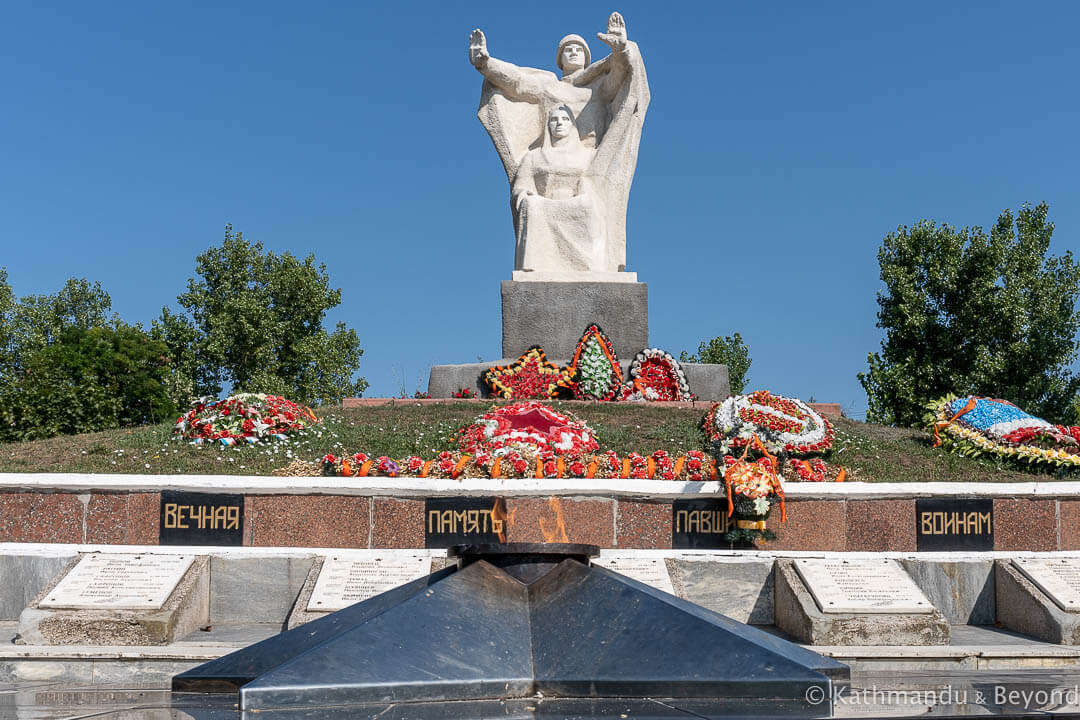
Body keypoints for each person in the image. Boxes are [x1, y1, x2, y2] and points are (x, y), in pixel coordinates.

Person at [468, 13, 649, 274]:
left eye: (579, 49)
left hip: (592, 162)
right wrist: (486, 64)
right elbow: (517, 82)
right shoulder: (548, 88)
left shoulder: (595, 89)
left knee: (594, 213)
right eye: (568, 49)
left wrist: (621, 50)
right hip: (549, 160)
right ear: (559, 59)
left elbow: (620, 76)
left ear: (587, 57)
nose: (573, 52)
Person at [512, 106, 605, 272]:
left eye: (565, 119)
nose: (559, 123)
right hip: (544, 205)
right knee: (531, 206)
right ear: (548, 126)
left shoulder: (587, 155)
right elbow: (520, 187)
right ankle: (535, 265)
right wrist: (525, 194)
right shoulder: (533, 156)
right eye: (554, 120)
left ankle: (589, 265)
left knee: (589, 205)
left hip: (577, 205)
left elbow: (595, 185)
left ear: (572, 125)